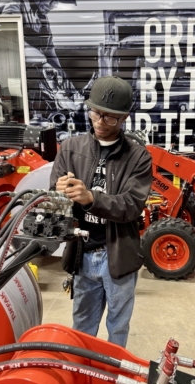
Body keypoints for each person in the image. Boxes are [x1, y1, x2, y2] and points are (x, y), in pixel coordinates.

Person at [49, 76, 152, 347]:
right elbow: (54, 195)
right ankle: (82, 375)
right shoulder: (71, 148)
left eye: (110, 118)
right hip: (83, 252)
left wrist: (91, 197)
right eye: (95, 113)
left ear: (124, 118)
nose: (100, 122)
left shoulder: (138, 157)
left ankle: (115, 378)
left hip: (118, 254)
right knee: (82, 327)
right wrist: (59, 191)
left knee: (118, 327)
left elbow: (131, 205)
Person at [0, 0, 80, 112]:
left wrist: (70, 88)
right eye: (53, 1)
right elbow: (10, 35)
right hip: (21, 87)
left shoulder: (42, 19)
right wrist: (43, 62)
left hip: (39, 90)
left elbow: (51, 54)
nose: (54, 6)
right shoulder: (13, 2)